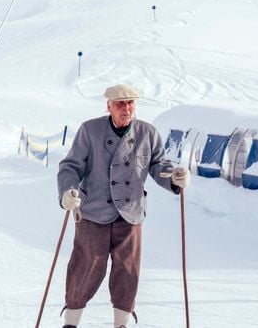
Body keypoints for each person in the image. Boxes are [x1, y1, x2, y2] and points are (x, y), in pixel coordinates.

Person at [57, 84, 190, 328]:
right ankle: (71, 324)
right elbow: (70, 166)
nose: (126, 108)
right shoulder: (90, 130)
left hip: (130, 215)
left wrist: (174, 178)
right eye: (120, 104)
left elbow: (159, 165)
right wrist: (67, 192)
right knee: (84, 268)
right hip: (93, 214)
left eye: (130, 103)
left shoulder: (147, 133)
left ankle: (121, 325)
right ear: (108, 106)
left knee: (127, 272)